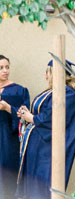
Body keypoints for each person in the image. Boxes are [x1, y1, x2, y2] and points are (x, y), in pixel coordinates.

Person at [16, 59, 75, 199]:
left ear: (56, 73)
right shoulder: (56, 91)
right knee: (33, 187)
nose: (45, 76)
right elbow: (44, 113)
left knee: (42, 188)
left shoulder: (69, 93)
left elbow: (54, 119)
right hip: (39, 149)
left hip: (47, 150)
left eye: (48, 72)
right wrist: (27, 114)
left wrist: (32, 118)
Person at [0, 55, 30, 198]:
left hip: (8, 139)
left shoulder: (18, 91)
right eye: (1, 68)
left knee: (7, 178)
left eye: (7, 67)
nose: (5, 71)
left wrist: (8, 108)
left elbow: (25, 117)